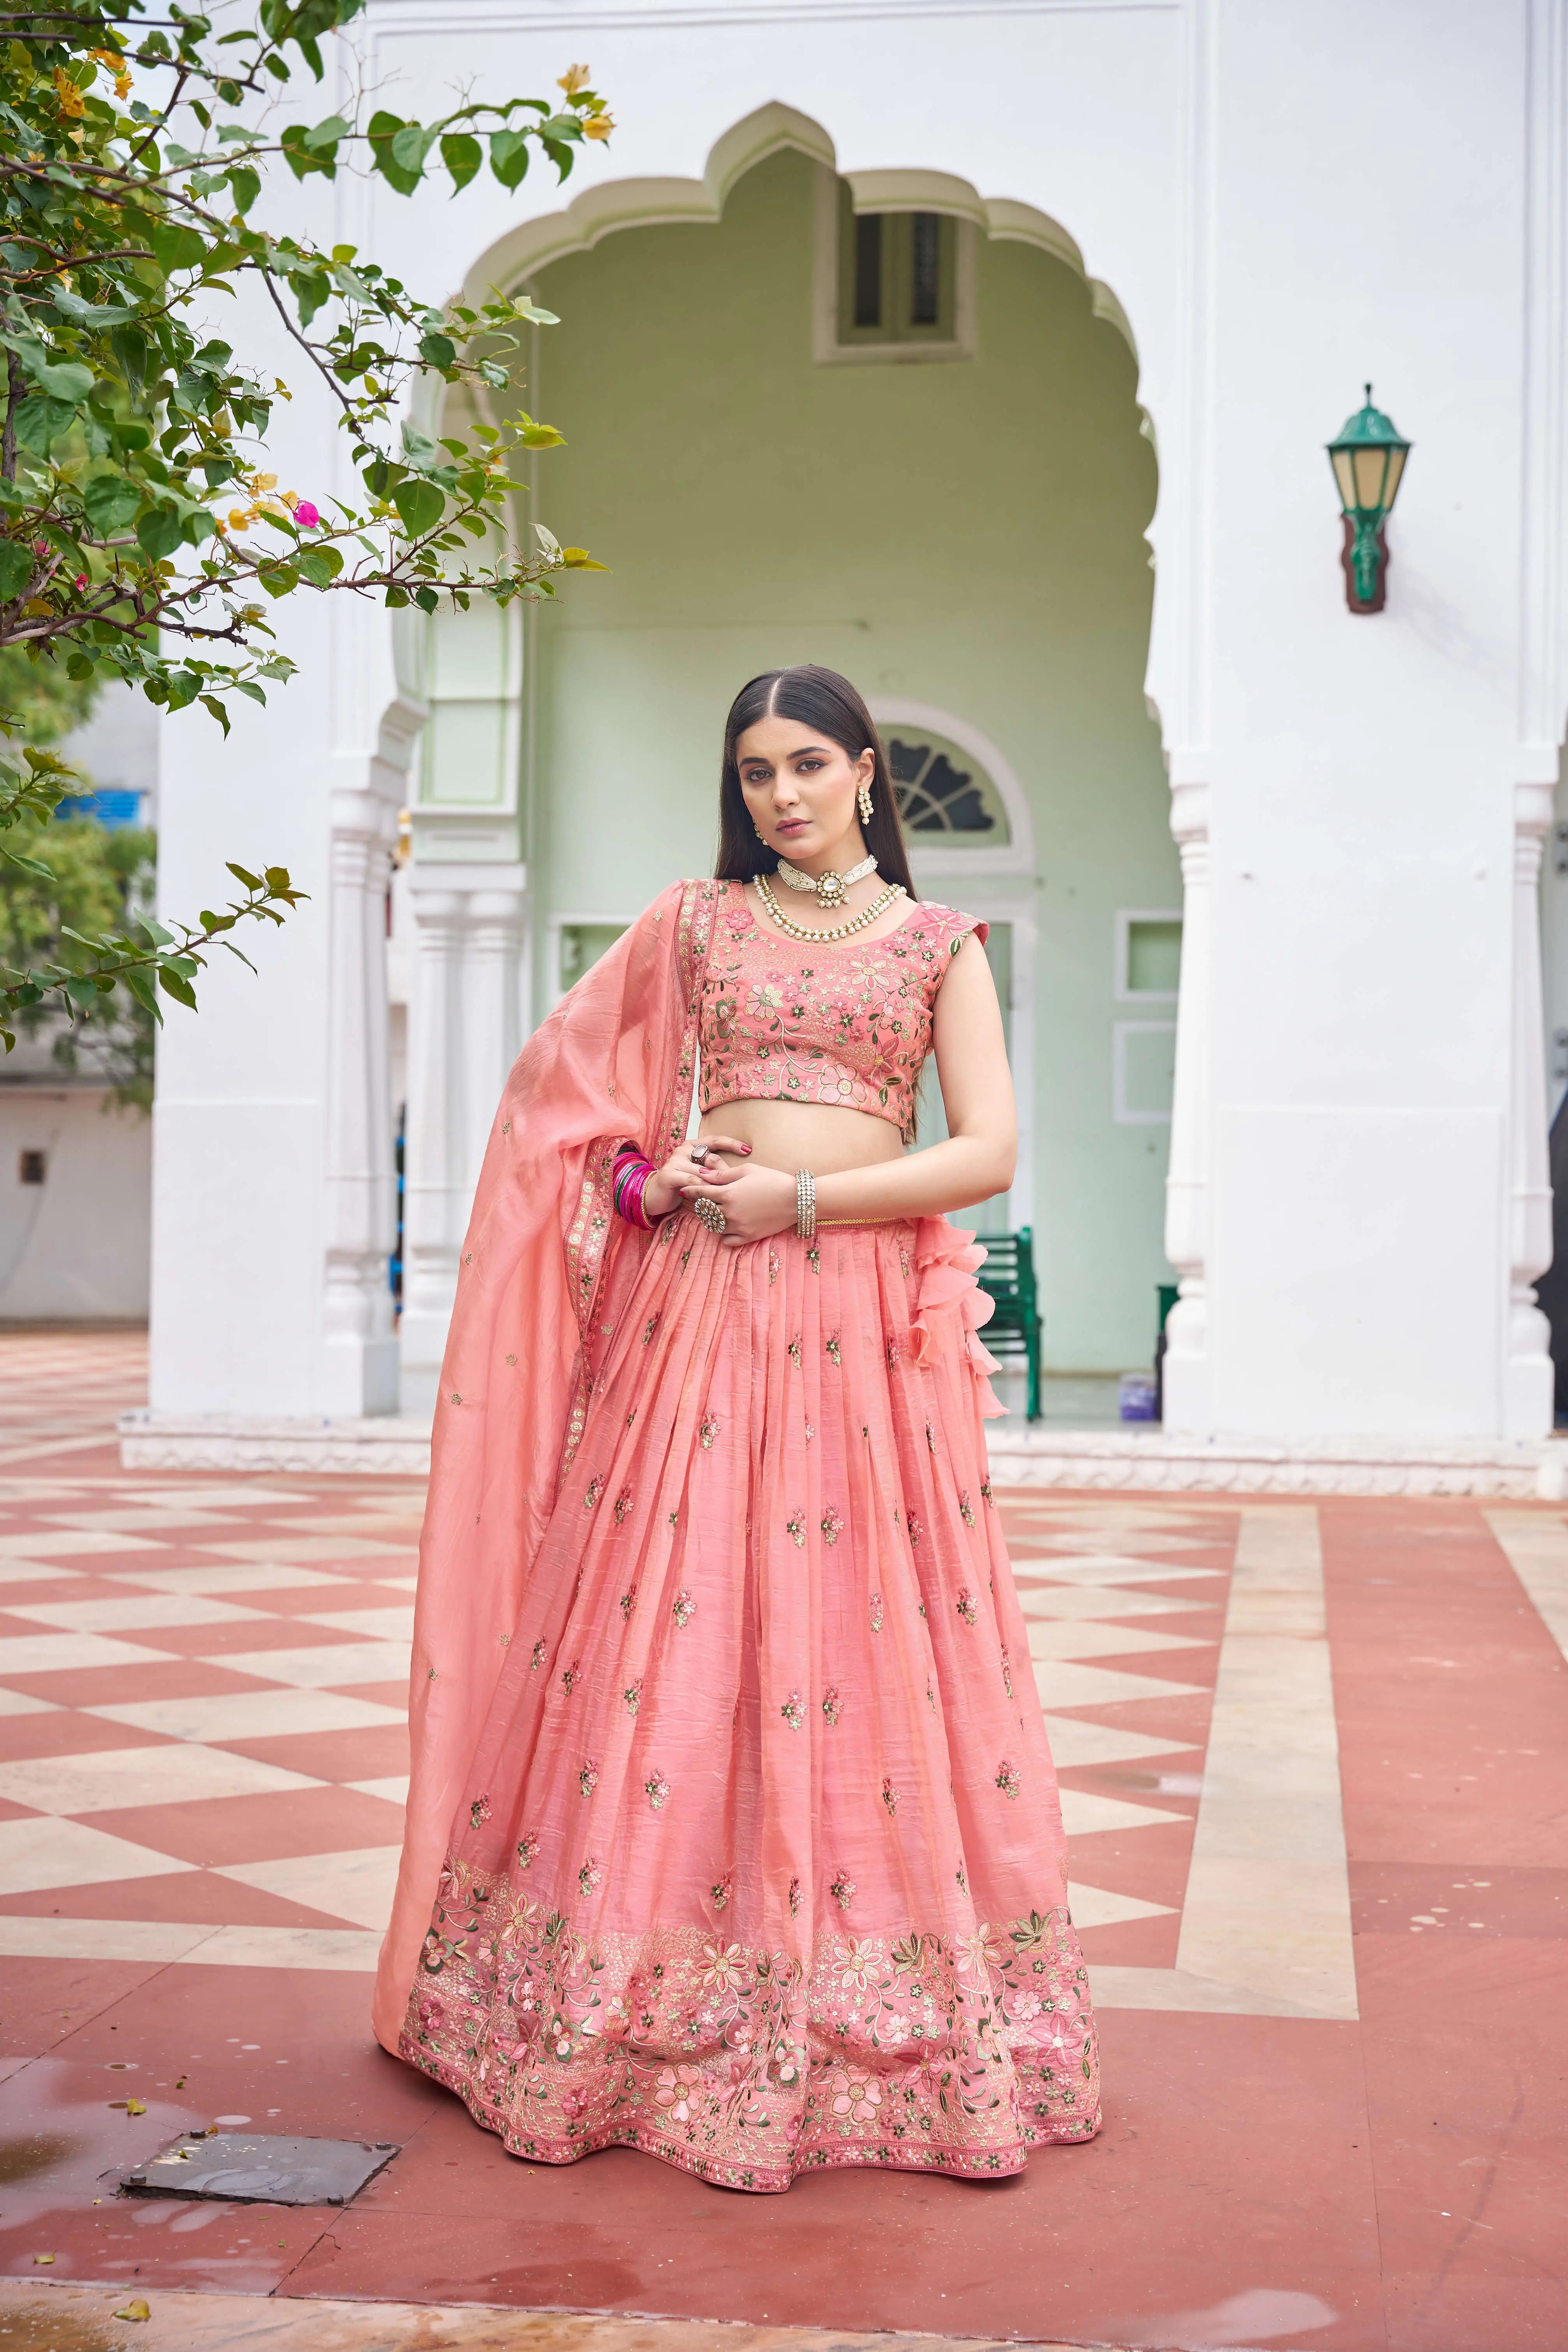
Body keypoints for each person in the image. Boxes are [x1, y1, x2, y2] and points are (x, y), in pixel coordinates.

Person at [374, 664, 1101, 2191]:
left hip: (855, 1328)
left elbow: (985, 1149)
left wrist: (810, 1198)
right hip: (697, 1311)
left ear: (866, 774)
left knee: (854, 1642)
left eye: (808, 763)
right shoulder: (692, 923)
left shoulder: (935, 943)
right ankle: (618, 2011)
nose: (780, 792)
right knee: (676, 1638)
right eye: (755, 768)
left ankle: (867, 2014)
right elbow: (558, 1105)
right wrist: (649, 1188)